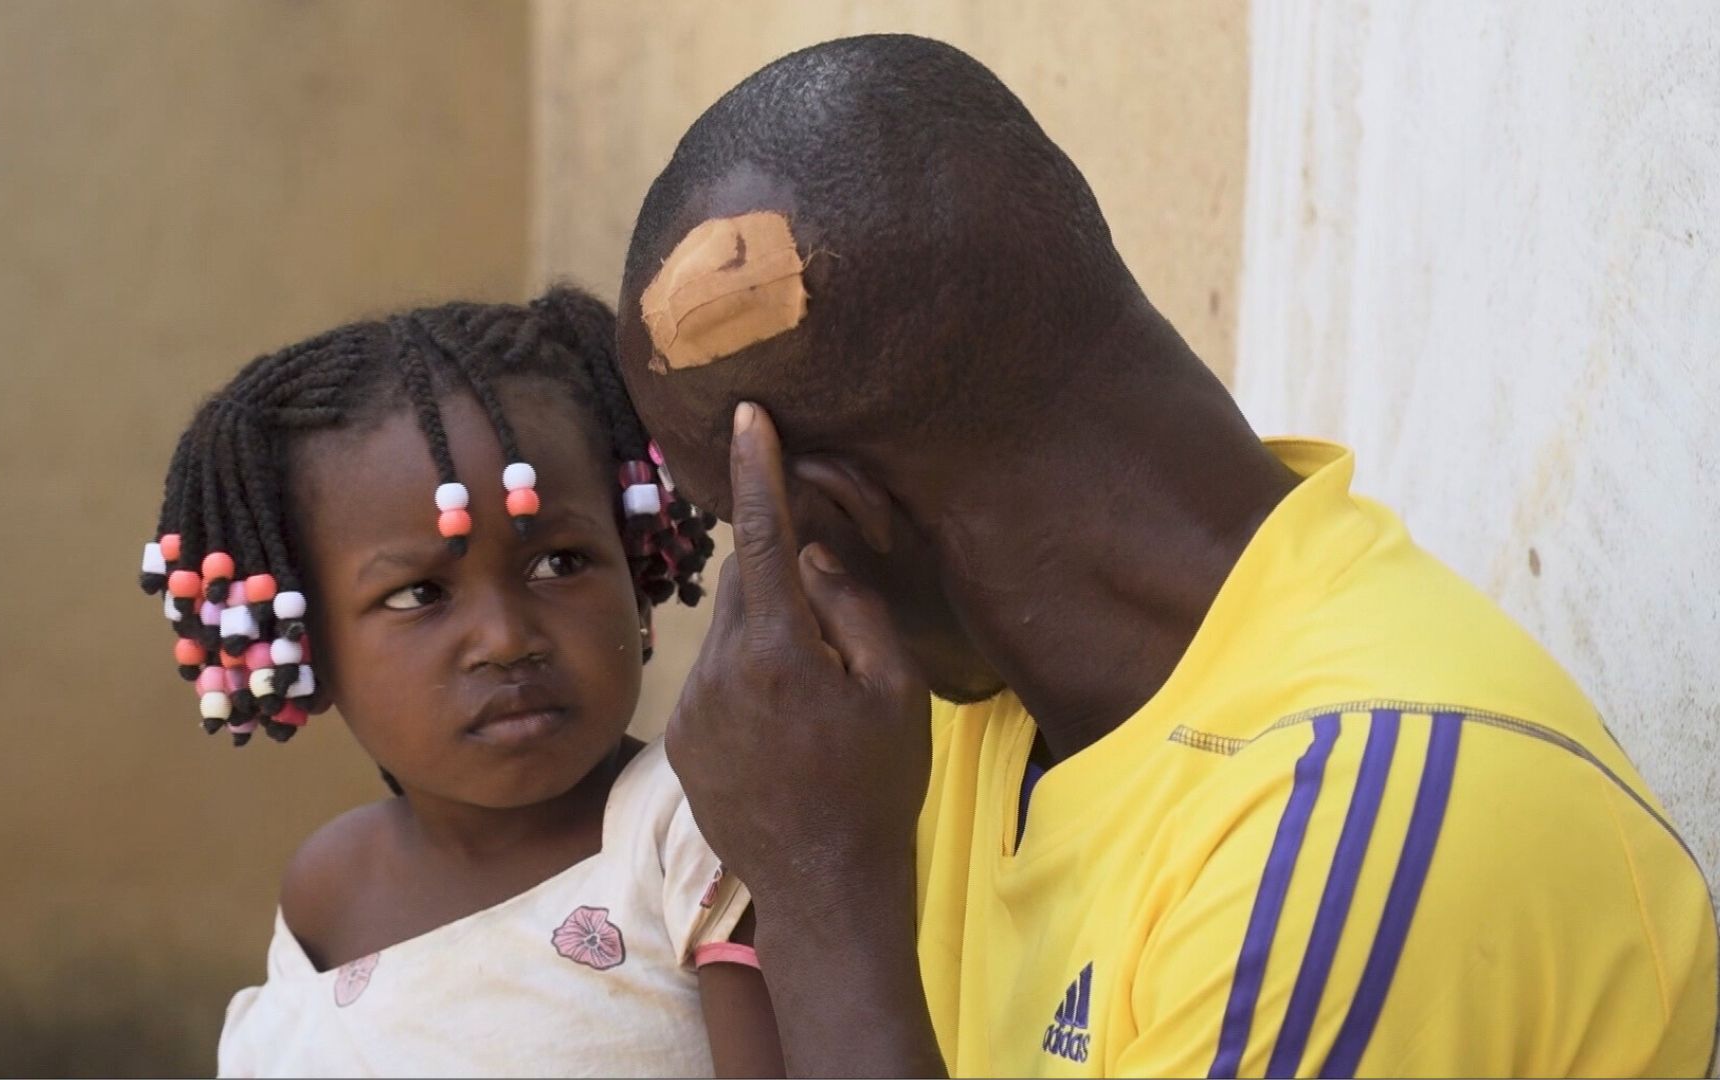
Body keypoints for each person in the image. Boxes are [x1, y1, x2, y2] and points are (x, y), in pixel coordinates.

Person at [612, 34, 1718, 1077]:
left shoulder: (1351, 825)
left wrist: (822, 897)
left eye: (750, 536)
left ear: (835, 520)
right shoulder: (949, 726)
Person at [133, 288, 783, 1076]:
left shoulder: (693, 828)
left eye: (559, 562)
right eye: (419, 595)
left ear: (637, 570)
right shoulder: (329, 893)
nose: (505, 639)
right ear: (305, 645)